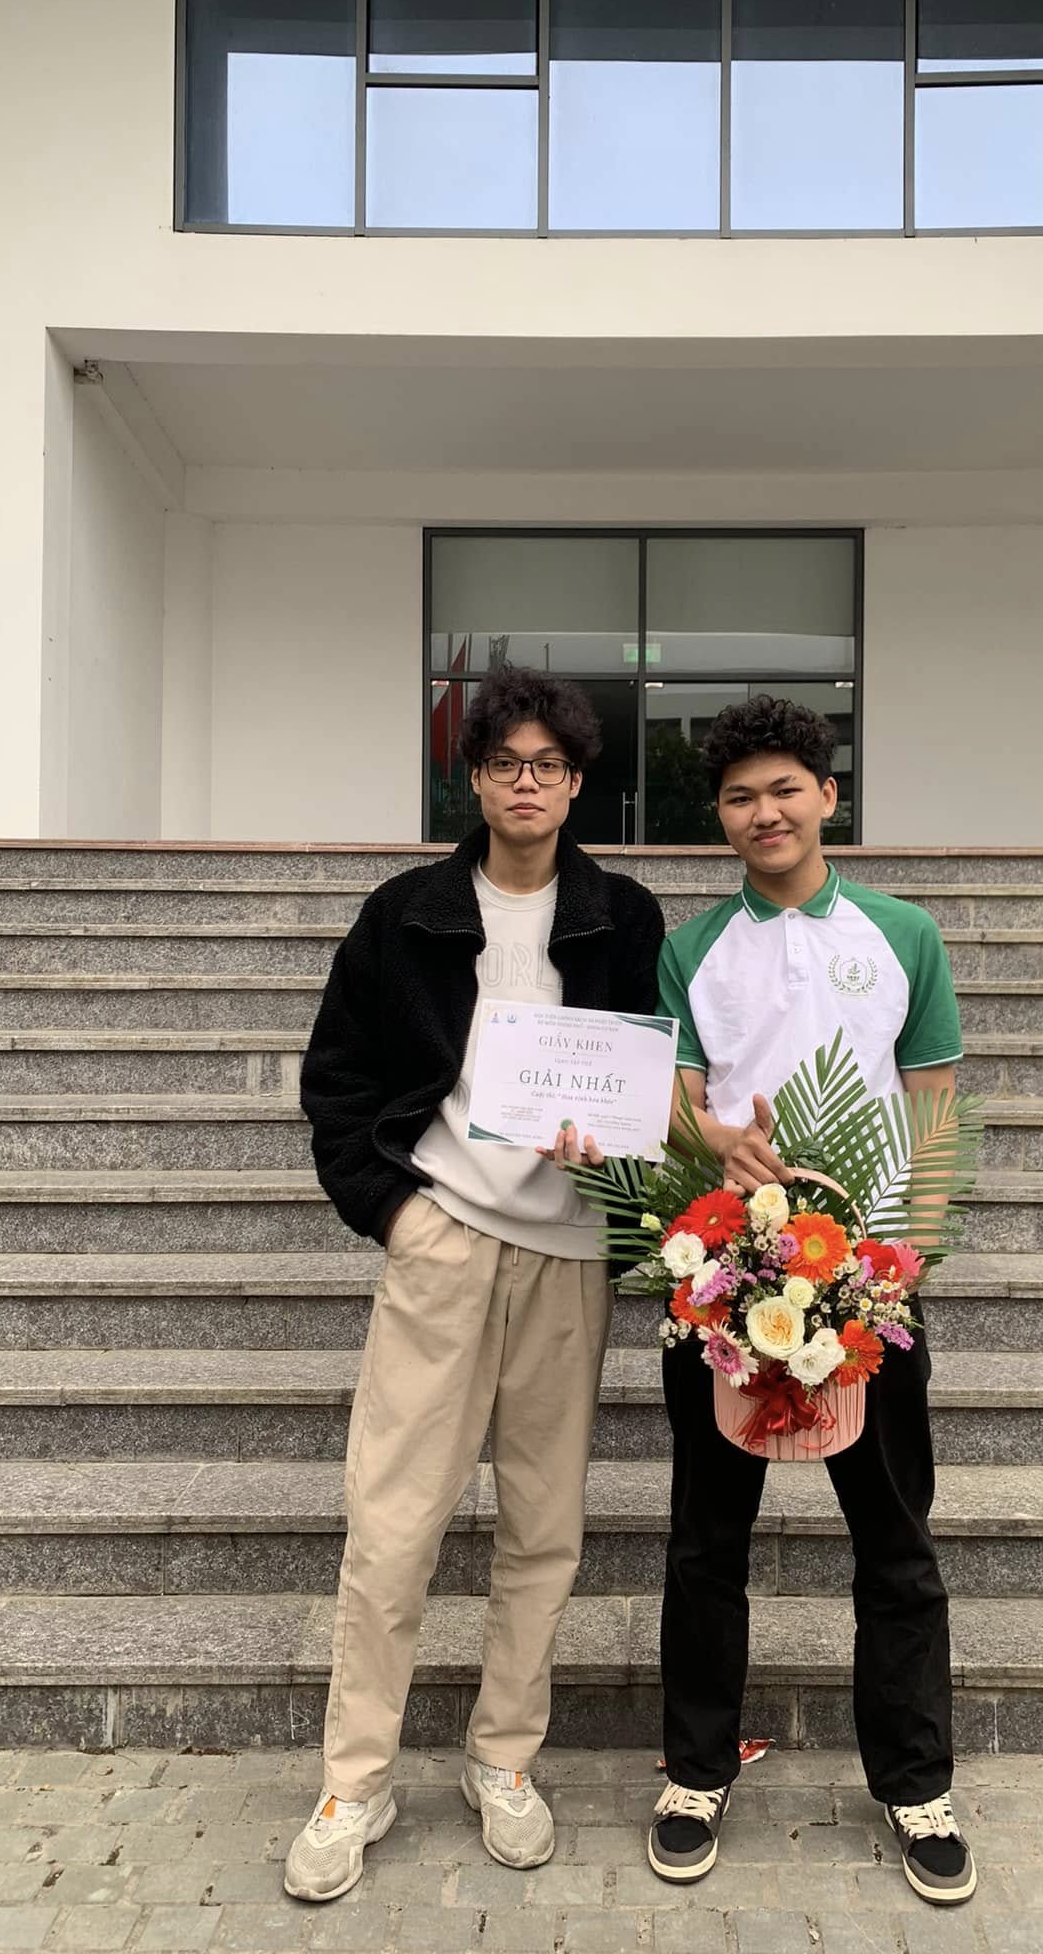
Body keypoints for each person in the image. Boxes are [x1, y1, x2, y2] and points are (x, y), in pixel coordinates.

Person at [284, 665, 665, 1904]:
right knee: (393, 1523)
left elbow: (653, 1077)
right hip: (443, 1240)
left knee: (543, 1530)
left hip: (569, 1260)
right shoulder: (408, 912)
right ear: (478, 778)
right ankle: (355, 1779)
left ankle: (503, 1759)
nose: (527, 782)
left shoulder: (623, 914)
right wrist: (397, 1212)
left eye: (549, 764)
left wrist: (622, 1158)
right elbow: (337, 1079)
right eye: (506, 762)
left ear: (577, 781)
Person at [646, 693, 975, 1907]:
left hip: (867, 1287)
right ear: (720, 817)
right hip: (723, 1282)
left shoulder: (903, 933)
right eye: (739, 795)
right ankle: (694, 1770)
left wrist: (911, 1256)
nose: (764, 811)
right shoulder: (692, 947)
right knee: (705, 1540)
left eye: (785, 788)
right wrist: (711, 1139)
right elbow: (677, 1096)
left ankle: (916, 1783)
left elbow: (935, 1102)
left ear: (829, 796)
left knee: (895, 1543)